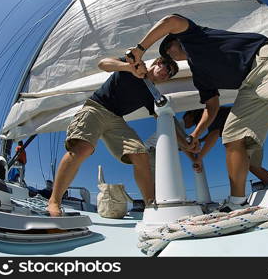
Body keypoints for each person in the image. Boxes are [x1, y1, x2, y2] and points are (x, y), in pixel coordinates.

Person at [126, 14, 268, 212]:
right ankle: (237, 200)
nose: (171, 57)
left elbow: (171, 21)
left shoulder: (195, 37)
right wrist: (195, 135)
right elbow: (212, 106)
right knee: (233, 136)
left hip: (264, 61)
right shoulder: (198, 74)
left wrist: (140, 48)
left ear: (174, 41)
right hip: (248, 85)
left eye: (169, 51)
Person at [46, 55, 180, 216]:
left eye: (171, 74)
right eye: (168, 69)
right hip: (97, 107)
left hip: (117, 119)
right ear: (158, 62)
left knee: (141, 154)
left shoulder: (152, 93)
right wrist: (129, 67)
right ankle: (54, 201)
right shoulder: (134, 64)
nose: (168, 74)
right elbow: (103, 64)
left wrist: (187, 143)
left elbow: (163, 117)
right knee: (82, 149)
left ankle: (151, 205)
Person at [183, 107, 268, 188]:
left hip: (245, 133)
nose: (184, 122)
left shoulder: (206, 114)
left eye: (184, 119)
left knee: (242, 167)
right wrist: (201, 140)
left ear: (190, 114)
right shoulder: (211, 114)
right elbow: (215, 130)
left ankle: (238, 199)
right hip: (252, 129)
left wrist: (199, 158)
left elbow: (214, 134)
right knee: (254, 167)